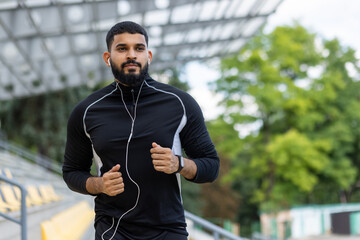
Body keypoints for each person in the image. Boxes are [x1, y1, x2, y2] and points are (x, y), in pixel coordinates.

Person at [62, 21, 219, 240]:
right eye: (122, 48)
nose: (131, 55)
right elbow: (71, 172)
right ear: (108, 58)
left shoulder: (180, 103)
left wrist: (179, 163)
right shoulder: (86, 111)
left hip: (168, 230)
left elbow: (211, 166)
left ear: (149, 55)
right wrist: (99, 184)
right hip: (112, 230)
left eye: (139, 48)